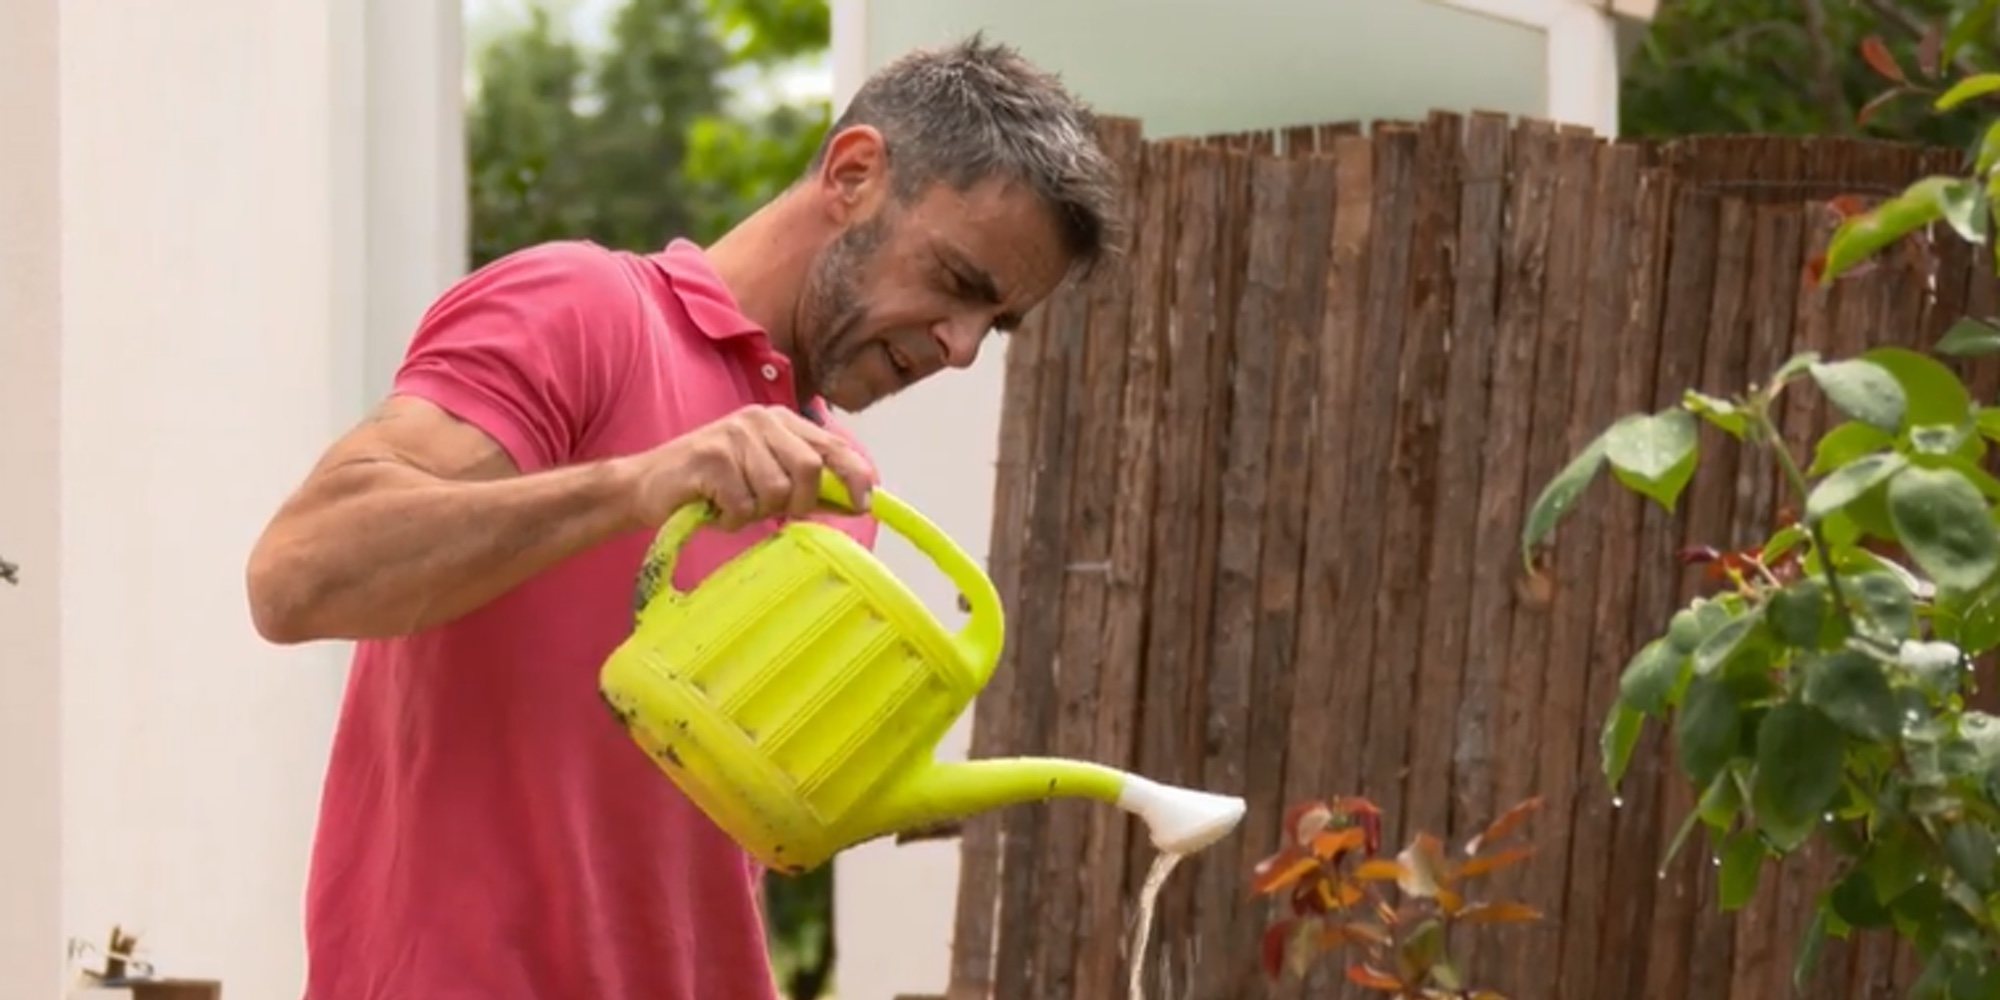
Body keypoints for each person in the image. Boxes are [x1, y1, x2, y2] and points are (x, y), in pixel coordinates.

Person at [244, 32, 1121, 1000]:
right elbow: (298, 576)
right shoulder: (583, 310)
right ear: (854, 171)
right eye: (958, 284)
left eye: (993, 325)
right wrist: (636, 483)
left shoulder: (831, 492)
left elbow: (700, 835)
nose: (960, 350)